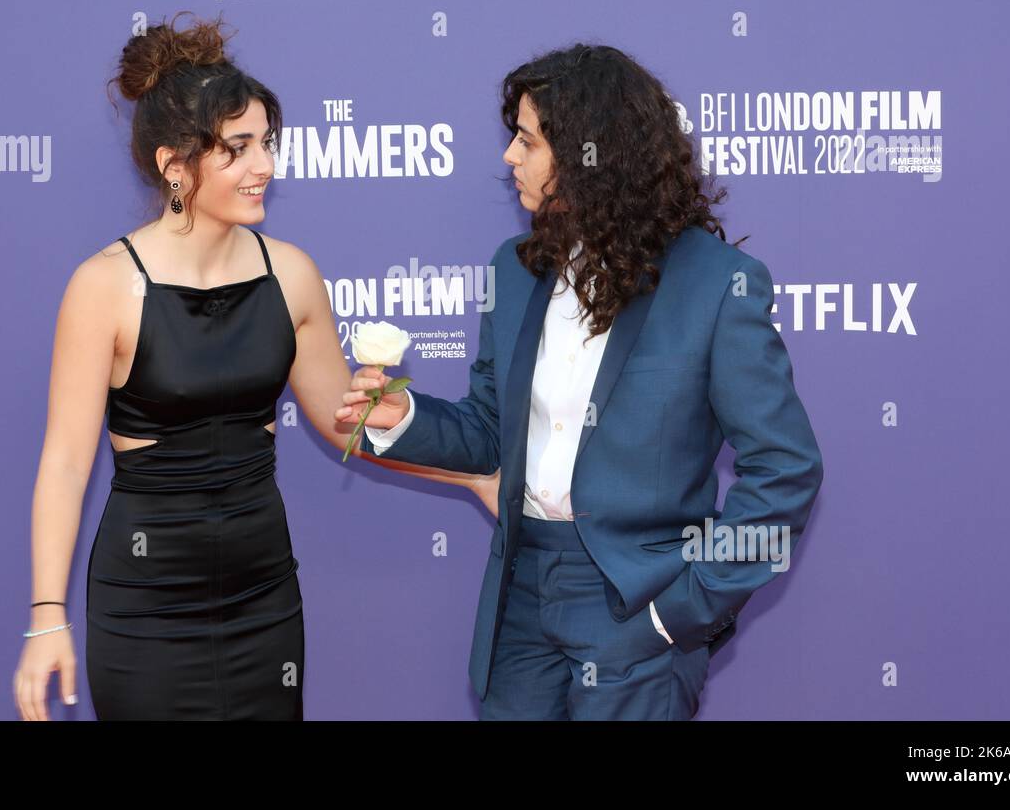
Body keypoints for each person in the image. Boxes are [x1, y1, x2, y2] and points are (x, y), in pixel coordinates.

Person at [13, 12, 494, 720]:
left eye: (266, 142)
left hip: (263, 599)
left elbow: (346, 424)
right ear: (175, 167)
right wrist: (47, 615)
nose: (264, 165)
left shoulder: (291, 274)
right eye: (236, 149)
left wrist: (469, 471)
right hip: (146, 606)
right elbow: (63, 463)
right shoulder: (106, 285)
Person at [337, 43, 824, 720]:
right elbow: (488, 432)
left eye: (527, 141)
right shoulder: (513, 270)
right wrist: (404, 418)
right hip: (521, 594)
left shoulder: (713, 284)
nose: (509, 157)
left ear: (591, 154)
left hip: (638, 597)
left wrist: (679, 614)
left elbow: (786, 469)